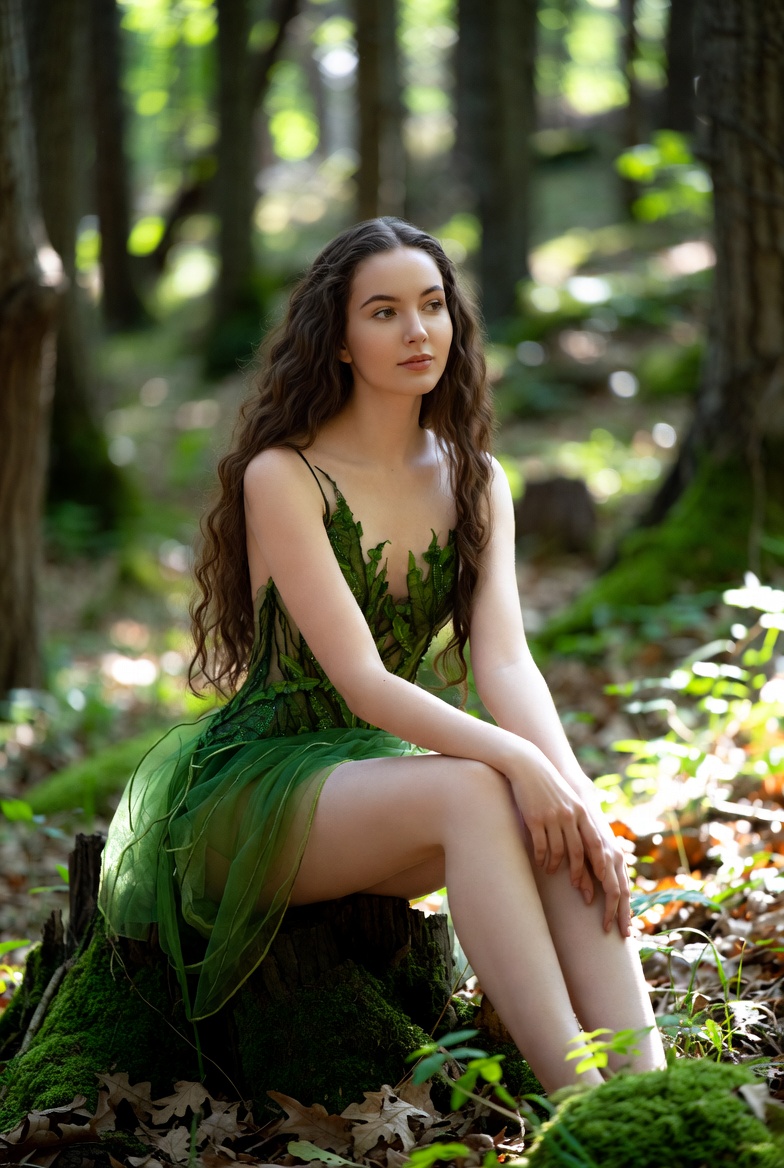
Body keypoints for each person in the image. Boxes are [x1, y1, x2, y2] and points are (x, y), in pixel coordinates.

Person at [99, 216, 664, 1093]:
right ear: (340, 342)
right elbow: (361, 683)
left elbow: (505, 661)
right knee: (484, 787)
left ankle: (650, 1093)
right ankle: (584, 1112)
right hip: (256, 789)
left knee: (561, 825)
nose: (417, 332)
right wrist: (520, 764)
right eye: (385, 312)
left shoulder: (477, 478)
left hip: (374, 784)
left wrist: (577, 795)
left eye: (433, 307)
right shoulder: (283, 475)